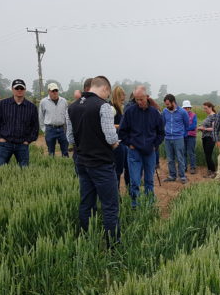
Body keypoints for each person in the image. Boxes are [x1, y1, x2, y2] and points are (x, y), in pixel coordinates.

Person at [66, 76, 120, 247]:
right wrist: (115, 144)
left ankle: (86, 238)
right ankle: (113, 245)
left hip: (81, 161)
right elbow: (111, 136)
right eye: (108, 93)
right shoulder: (103, 106)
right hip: (101, 163)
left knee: (86, 202)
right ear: (104, 88)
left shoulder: (72, 107)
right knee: (110, 205)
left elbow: (69, 137)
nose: (108, 97)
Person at [118, 86, 165, 207]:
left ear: (147, 97)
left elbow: (161, 133)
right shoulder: (130, 112)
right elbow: (122, 132)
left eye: (141, 99)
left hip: (150, 152)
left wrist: (155, 145)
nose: (139, 102)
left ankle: (149, 204)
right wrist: (129, 144)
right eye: (137, 100)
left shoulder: (155, 113)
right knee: (134, 181)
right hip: (134, 152)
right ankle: (135, 205)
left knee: (149, 180)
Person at [0, 79, 39, 167]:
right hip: (5, 144)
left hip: (22, 145)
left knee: (24, 171)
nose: (19, 90)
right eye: (17, 88)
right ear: (12, 89)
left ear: (25, 90)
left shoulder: (31, 107)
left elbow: (35, 126)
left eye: (21, 88)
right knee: (0, 169)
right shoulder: (3, 104)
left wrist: (28, 141)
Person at [162, 94, 189, 184]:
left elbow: (187, 124)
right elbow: (163, 123)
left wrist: (181, 134)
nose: (167, 106)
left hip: (178, 138)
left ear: (173, 102)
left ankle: (182, 176)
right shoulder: (165, 111)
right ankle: (172, 176)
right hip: (168, 138)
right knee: (170, 159)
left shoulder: (182, 112)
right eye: (166, 105)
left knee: (180, 158)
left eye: (168, 104)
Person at [39, 82, 69, 157]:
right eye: (53, 91)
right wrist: (44, 129)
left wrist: (67, 128)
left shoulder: (64, 101)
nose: (55, 92)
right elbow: (41, 116)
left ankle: (65, 166)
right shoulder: (43, 102)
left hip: (62, 129)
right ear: (49, 91)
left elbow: (67, 116)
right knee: (51, 151)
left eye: (56, 90)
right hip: (50, 129)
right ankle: (52, 166)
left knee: (65, 150)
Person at [111, 86, 130, 191]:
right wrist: (121, 126)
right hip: (117, 143)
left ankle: (129, 191)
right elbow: (109, 125)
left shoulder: (122, 107)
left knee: (127, 168)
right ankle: (116, 192)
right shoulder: (112, 108)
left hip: (123, 142)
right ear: (119, 95)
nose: (125, 96)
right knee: (118, 170)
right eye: (123, 94)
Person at [197, 101, 218, 178]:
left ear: (210, 107)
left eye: (206, 108)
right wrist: (201, 127)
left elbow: (214, 128)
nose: (204, 110)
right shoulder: (208, 116)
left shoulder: (214, 116)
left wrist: (204, 128)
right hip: (205, 137)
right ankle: (209, 172)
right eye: (204, 108)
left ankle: (213, 172)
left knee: (208, 156)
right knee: (206, 155)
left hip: (210, 138)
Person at [183, 100, 198, 174]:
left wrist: (186, 129)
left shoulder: (193, 115)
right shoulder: (181, 115)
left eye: (187, 107)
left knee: (191, 152)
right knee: (184, 152)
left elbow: (194, 126)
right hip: (183, 136)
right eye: (185, 108)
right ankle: (184, 167)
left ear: (189, 108)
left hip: (191, 136)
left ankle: (192, 167)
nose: (186, 109)